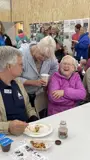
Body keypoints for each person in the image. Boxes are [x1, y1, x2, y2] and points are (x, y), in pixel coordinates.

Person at [0, 46, 38, 135]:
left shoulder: (17, 82)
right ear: (9, 66)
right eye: (20, 64)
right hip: (7, 139)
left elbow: (28, 106)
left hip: (27, 132)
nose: (23, 68)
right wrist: (8, 127)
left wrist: (33, 116)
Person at [20, 36, 59, 107]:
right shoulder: (21, 54)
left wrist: (48, 78)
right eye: (42, 55)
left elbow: (55, 68)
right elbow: (12, 78)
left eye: (47, 57)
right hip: (22, 94)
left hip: (39, 94)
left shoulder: (49, 54)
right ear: (37, 47)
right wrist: (32, 82)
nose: (43, 59)